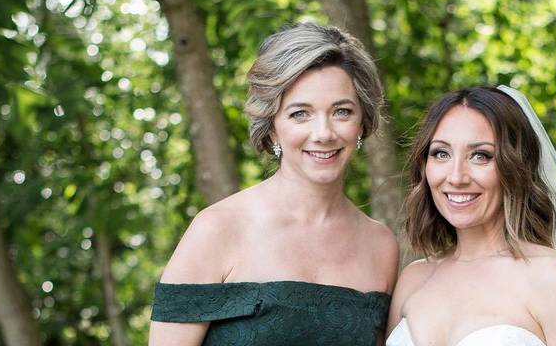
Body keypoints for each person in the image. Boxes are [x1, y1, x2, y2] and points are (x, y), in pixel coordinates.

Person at [150, 22, 399, 346]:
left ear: (362, 123)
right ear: (271, 127)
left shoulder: (380, 245)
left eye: (341, 111)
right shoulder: (218, 229)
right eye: (300, 114)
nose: (323, 133)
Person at [387, 86, 556, 346]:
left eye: (480, 156)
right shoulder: (413, 279)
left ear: (515, 168)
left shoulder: (555, 279)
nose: (456, 177)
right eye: (441, 153)